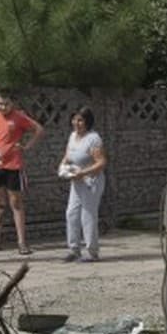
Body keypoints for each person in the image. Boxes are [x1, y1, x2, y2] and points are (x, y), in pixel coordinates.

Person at [0, 89, 43, 254]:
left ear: (12, 103)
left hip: (13, 165)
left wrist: (27, 146)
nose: (3, 107)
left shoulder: (19, 117)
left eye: (6, 103)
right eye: (0, 103)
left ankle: (21, 242)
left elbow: (39, 129)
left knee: (15, 202)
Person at [58, 107, 108, 262]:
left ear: (87, 121)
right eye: (74, 119)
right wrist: (62, 167)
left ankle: (92, 252)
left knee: (88, 215)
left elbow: (101, 162)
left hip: (91, 182)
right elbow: (68, 155)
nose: (76, 123)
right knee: (71, 214)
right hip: (77, 181)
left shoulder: (93, 138)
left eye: (80, 120)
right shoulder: (73, 136)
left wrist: (83, 173)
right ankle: (74, 249)